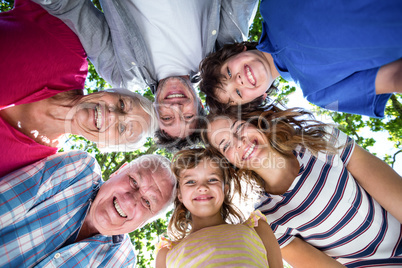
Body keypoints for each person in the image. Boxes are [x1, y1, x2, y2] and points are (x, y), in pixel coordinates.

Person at [32, 0, 259, 150]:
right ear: (199, 102)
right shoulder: (222, 60)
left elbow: (73, 9)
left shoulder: (122, 73)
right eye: (188, 116)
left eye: (168, 118)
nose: (177, 107)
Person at [202, 105, 402, 266]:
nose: (239, 142)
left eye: (238, 128)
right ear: (229, 163)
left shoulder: (323, 141)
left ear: (256, 123)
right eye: (226, 145)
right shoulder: (267, 220)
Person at [0, 0, 157, 177]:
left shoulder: (30, 170)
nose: (113, 115)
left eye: (122, 129)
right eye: (122, 105)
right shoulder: (67, 47)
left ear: (104, 146)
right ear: (109, 91)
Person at [199, 0, 402, 117]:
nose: (239, 80)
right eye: (237, 93)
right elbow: (394, 77)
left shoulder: (271, 7)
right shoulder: (321, 94)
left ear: (237, 49)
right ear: (260, 98)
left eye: (228, 72)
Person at [0, 150, 176, 267]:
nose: (130, 200)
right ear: (118, 171)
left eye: (147, 203)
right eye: (134, 181)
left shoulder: (122, 262)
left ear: (146, 222)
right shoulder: (79, 170)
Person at [155, 148, 283, 268]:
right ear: (180, 195)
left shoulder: (258, 229)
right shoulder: (166, 256)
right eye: (190, 182)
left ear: (225, 189)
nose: (202, 187)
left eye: (212, 179)